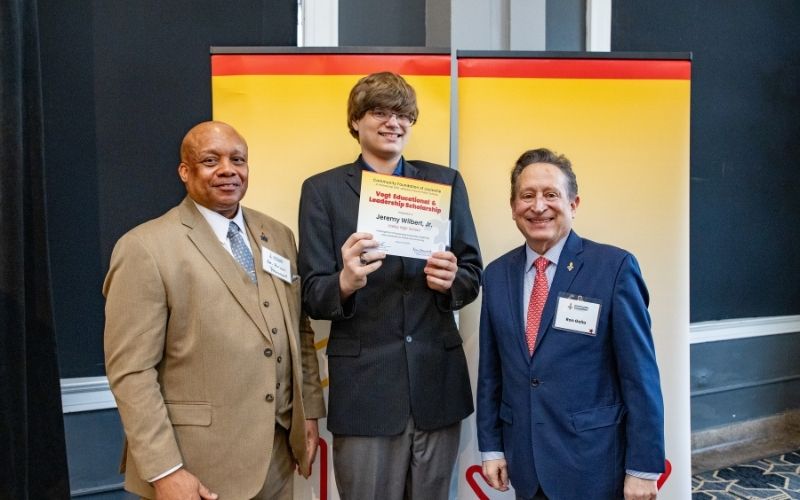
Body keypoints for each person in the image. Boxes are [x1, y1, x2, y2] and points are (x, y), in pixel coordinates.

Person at [103, 121, 325, 499]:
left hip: (276, 458)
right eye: (211, 160)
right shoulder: (145, 247)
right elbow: (132, 373)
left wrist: (308, 415)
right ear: (185, 172)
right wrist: (165, 470)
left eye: (237, 159)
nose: (228, 169)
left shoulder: (280, 236)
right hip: (196, 468)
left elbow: (297, 329)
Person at [298, 72, 482, 499]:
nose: (393, 122)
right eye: (379, 112)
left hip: (436, 385)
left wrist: (453, 281)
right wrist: (344, 282)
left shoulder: (445, 182)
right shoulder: (322, 191)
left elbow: (473, 274)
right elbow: (311, 294)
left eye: (403, 114)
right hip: (365, 390)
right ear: (356, 122)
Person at [477, 148, 665, 500]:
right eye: (527, 196)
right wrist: (491, 448)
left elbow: (640, 377)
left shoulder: (614, 268)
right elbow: (492, 372)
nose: (538, 206)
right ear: (513, 206)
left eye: (551, 195)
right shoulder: (497, 274)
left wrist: (642, 468)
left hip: (592, 464)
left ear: (573, 204)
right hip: (526, 464)